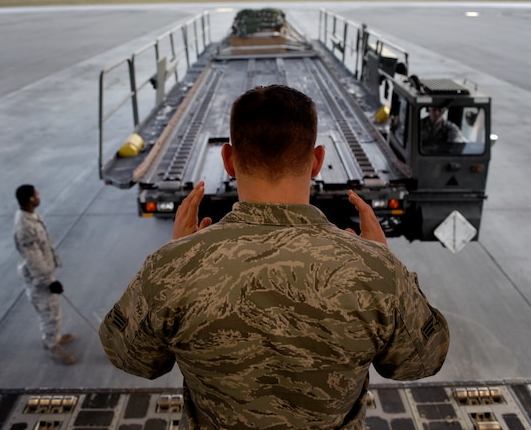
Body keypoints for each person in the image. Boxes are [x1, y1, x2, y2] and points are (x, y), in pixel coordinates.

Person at [99, 85, 449, 429]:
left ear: (228, 161)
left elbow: (132, 357)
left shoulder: (172, 268)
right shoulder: (376, 272)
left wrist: (176, 256)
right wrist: (382, 261)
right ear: (317, 162)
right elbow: (422, 360)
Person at [14, 184, 76, 365]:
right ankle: (52, 346)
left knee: (52, 310)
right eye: (37, 194)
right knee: (48, 313)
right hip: (40, 280)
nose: (39, 196)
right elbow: (33, 259)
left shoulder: (31, 215)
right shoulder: (25, 226)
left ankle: (54, 337)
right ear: (31, 199)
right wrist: (49, 281)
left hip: (45, 275)